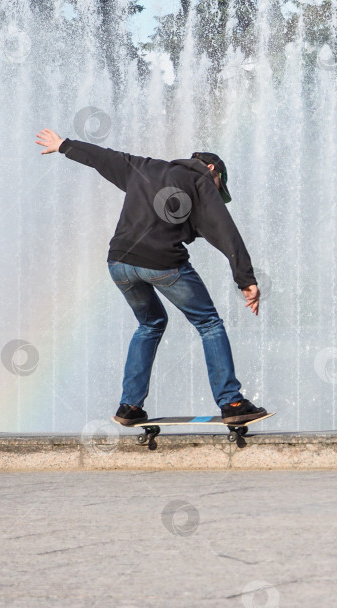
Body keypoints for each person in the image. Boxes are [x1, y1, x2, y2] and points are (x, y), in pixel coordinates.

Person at [34, 128, 268, 426]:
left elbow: (103, 158)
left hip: (119, 262)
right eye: (219, 183)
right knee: (209, 324)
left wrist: (64, 145)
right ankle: (232, 402)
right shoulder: (202, 182)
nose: (217, 191)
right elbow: (225, 232)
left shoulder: (144, 167)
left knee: (150, 323)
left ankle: (130, 406)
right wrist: (245, 279)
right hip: (162, 264)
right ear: (212, 169)